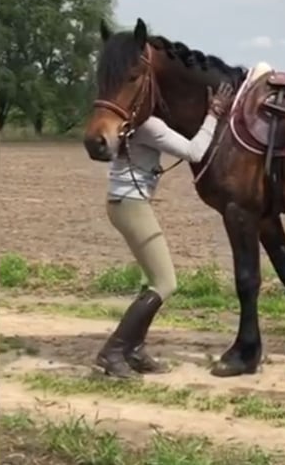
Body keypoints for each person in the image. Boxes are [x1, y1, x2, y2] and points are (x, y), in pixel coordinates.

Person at [96, 81, 235, 378]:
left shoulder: (130, 123)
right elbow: (195, 152)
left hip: (122, 203)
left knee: (153, 280)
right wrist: (213, 113)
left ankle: (133, 350)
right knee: (165, 283)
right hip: (131, 205)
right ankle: (113, 351)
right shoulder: (149, 126)